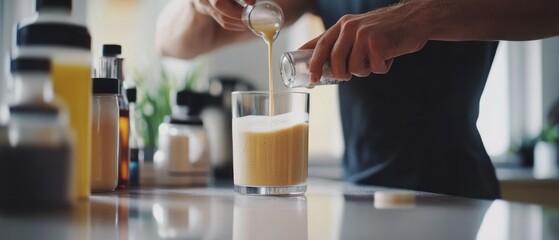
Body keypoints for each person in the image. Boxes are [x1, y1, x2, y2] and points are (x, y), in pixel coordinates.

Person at [155, 0, 559, 199]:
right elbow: (174, 42)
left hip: (458, 197)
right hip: (361, 198)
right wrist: (197, 4)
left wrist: (420, 18)